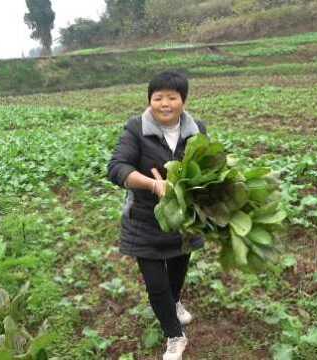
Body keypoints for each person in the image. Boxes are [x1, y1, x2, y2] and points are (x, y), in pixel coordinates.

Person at [107, 70, 207, 360]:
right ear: (150, 100)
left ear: (183, 101)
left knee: (177, 271)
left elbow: (209, 165)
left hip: (184, 217)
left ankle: (174, 302)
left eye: (172, 97)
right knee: (155, 283)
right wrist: (152, 184)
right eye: (158, 97)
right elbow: (117, 167)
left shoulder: (196, 129)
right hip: (144, 218)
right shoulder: (136, 128)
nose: (165, 103)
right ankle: (175, 335)